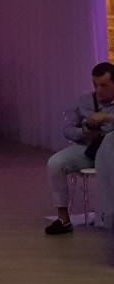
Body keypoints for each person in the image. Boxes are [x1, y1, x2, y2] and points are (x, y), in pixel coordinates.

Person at [44, 62, 114, 235]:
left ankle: (109, 216)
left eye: (104, 85)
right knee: (55, 163)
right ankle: (63, 219)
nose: (98, 90)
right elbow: (66, 128)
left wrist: (107, 118)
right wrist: (82, 133)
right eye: (95, 85)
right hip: (89, 148)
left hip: (111, 151)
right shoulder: (84, 101)